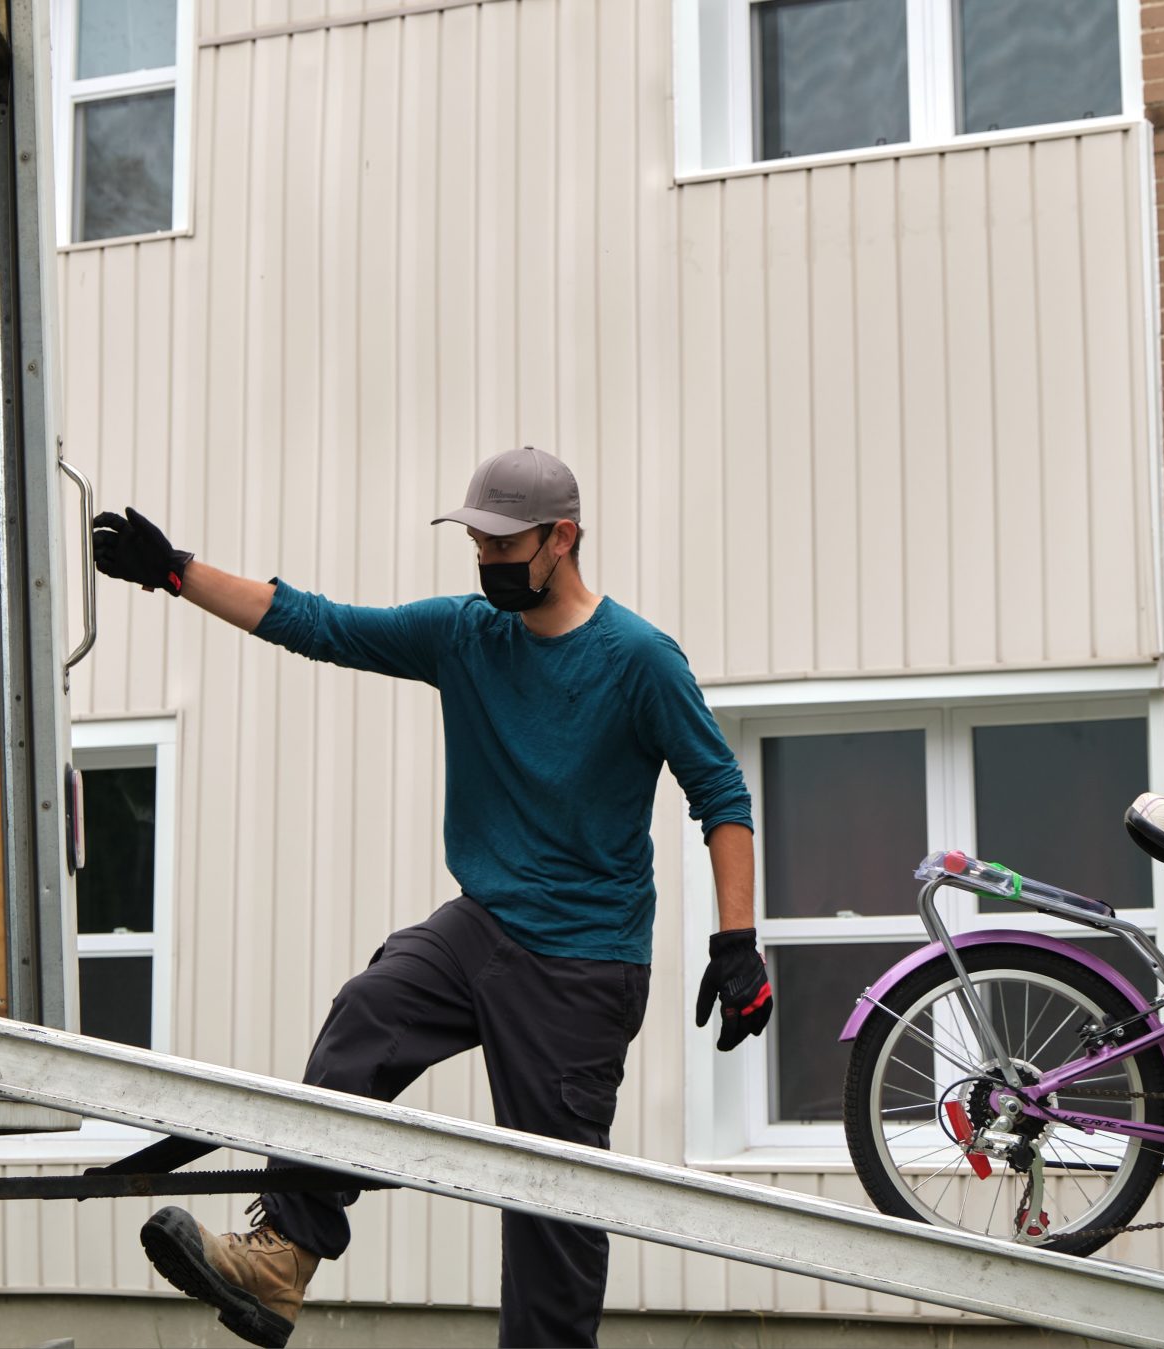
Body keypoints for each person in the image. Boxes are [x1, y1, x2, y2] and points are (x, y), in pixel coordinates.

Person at [88, 446, 774, 1349]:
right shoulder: (465, 635)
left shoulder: (638, 660)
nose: (486, 562)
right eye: (476, 544)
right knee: (368, 1010)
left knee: (550, 1212)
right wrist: (177, 573)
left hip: (585, 962)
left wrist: (735, 944)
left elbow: (721, 794)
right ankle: (282, 1257)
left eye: (504, 544)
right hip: (483, 924)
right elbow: (319, 623)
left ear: (563, 537)